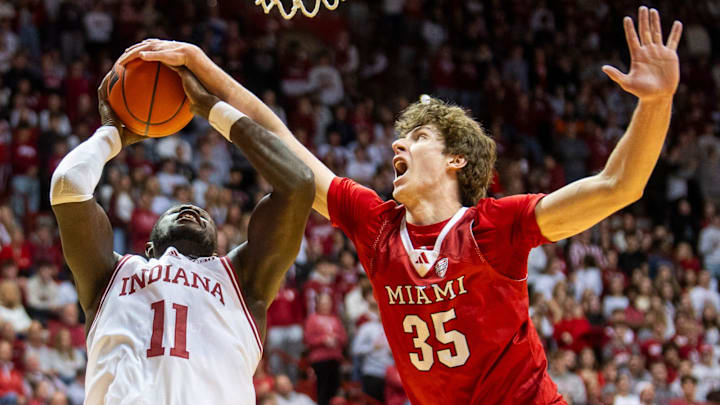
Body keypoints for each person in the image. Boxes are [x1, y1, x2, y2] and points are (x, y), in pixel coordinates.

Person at [121, 6, 682, 404]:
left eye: (415, 138)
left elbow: (618, 186)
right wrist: (203, 70)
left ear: (457, 160)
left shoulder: (496, 225)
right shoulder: (375, 223)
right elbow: (283, 140)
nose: (397, 144)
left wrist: (657, 102)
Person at [49, 67, 315, 403]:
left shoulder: (242, 280)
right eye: (172, 210)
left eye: (203, 214)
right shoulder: (110, 273)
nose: (189, 209)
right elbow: (67, 187)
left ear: (219, 248)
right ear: (148, 247)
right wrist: (111, 134)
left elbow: (299, 185)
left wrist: (212, 110)